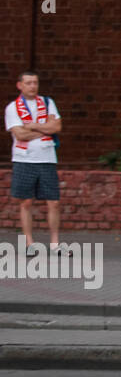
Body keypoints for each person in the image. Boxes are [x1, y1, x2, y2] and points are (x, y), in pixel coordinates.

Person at [5, 71, 62, 255]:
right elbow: (19, 134)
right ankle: (30, 243)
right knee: (26, 202)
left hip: (47, 159)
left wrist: (33, 126)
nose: (32, 86)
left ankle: (55, 243)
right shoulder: (13, 107)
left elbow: (57, 127)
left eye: (35, 83)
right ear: (19, 85)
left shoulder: (47, 103)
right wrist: (44, 129)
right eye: (28, 83)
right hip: (24, 159)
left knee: (53, 202)